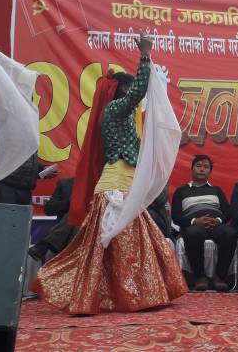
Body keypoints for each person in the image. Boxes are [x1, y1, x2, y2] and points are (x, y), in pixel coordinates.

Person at [32, 35, 187, 314]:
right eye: (128, 90)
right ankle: (130, 295)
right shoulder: (115, 110)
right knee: (125, 243)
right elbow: (139, 92)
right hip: (116, 186)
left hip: (123, 183)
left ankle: (124, 295)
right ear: (122, 90)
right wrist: (145, 55)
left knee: (120, 245)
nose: (134, 98)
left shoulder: (118, 115)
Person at [172, 155, 238, 292]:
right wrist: (194, 221)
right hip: (194, 226)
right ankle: (200, 277)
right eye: (198, 166)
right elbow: (176, 217)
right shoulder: (181, 191)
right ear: (192, 169)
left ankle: (220, 277)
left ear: (210, 171)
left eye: (206, 167)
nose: (202, 169)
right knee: (192, 233)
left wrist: (218, 220)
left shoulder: (216, 190)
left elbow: (228, 212)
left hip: (216, 226)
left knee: (230, 233)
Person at [27, 178, 76, 261]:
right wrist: (68, 203)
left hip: (92, 227)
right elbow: (49, 210)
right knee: (75, 213)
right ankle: (50, 244)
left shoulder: (98, 187)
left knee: (81, 212)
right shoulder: (66, 184)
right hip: (69, 236)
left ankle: (47, 244)